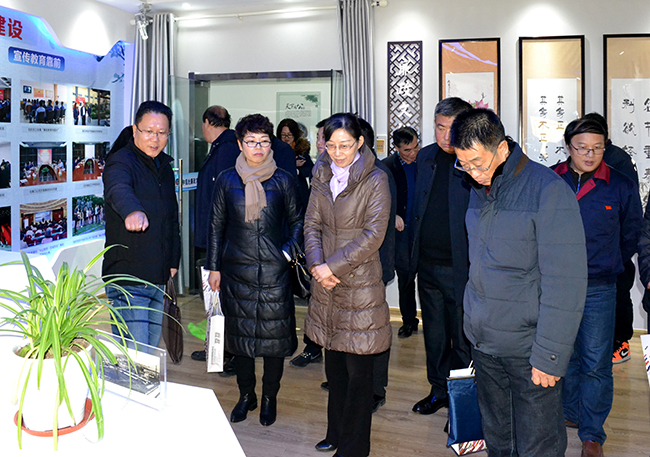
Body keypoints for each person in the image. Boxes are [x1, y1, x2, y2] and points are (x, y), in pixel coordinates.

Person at [451, 108, 588, 456]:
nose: (473, 173)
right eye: (464, 165)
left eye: (478, 163)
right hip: (485, 344)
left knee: (538, 444)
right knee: (499, 440)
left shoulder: (547, 190)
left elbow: (566, 283)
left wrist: (550, 355)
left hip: (530, 350)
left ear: (501, 148)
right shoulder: (480, 188)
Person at [553, 118, 642, 457]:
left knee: (595, 361)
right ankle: (570, 412)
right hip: (558, 285)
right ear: (568, 147)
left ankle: (592, 434)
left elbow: (631, 233)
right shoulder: (551, 179)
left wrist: (608, 261)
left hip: (600, 286)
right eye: (582, 148)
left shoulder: (619, 185)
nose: (590, 155)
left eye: (597, 148)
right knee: (565, 354)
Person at [206, 114, 302, 427]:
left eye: (263, 141)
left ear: (270, 143)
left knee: (274, 342)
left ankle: (270, 397)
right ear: (240, 144)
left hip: (275, 273)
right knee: (241, 342)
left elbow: (299, 222)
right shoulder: (226, 180)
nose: (257, 147)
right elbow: (216, 226)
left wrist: (286, 253)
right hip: (236, 272)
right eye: (251, 141)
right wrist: (214, 267)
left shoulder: (284, 180)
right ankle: (247, 395)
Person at [304, 113, 391, 457]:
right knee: (335, 366)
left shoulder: (376, 179)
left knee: (359, 373)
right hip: (326, 283)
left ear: (359, 143)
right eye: (331, 145)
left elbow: (373, 235)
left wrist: (332, 266)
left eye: (345, 145)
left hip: (359, 283)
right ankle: (335, 433)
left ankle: (354, 448)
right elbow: (311, 224)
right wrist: (316, 266)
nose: (338, 153)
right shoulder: (321, 173)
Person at [408, 97, 473, 415]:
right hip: (427, 264)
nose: (445, 135)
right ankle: (438, 390)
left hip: (462, 268)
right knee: (434, 334)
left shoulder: (474, 159)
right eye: (439, 127)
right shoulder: (425, 156)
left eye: (452, 128)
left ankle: (461, 403)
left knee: (462, 339)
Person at [102, 100, 180, 346]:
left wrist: (173, 260)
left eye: (162, 133)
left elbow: (171, 217)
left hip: (157, 275)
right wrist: (132, 211)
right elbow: (118, 188)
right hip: (128, 277)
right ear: (135, 130)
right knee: (136, 351)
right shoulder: (120, 161)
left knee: (149, 349)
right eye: (149, 131)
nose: (155, 139)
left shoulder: (163, 166)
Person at [582, 112, 639, 365]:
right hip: (588, 254)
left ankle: (621, 343)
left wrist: (620, 253)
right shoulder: (573, 164)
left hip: (615, 249)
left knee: (619, 296)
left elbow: (630, 215)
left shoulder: (618, 160)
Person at [290, 118, 328, 368]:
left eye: (323, 137)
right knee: (316, 303)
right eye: (319, 137)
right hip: (317, 248)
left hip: (338, 253)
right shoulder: (318, 169)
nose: (318, 142)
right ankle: (313, 348)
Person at [383, 126, 420, 338]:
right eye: (407, 150)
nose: (413, 153)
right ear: (396, 148)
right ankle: (408, 320)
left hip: (423, 230)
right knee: (405, 278)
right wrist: (393, 214)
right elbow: (380, 199)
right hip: (402, 231)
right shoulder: (387, 167)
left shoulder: (425, 163)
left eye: (415, 147)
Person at [277, 118, 314, 212]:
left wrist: (297, 171)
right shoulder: (275, 150)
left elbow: (310, 169)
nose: (286, 138)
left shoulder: (301, 149)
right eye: (283, 135)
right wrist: (292, 164)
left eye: (289, 135)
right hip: (280, 192)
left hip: (299, 192)